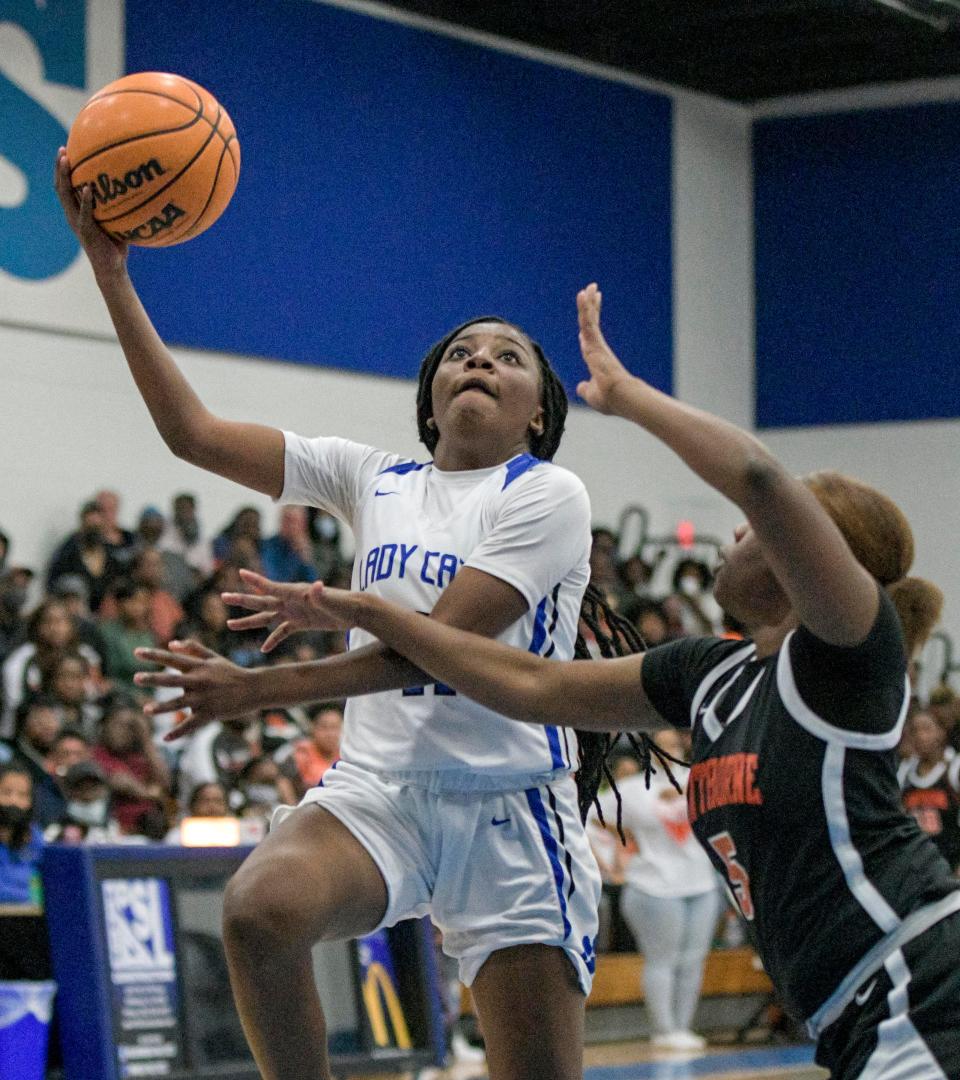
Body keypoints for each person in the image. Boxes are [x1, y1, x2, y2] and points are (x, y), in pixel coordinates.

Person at [224, 285, 958, 1079]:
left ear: (813, 561)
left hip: (920, 982)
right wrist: (372, 611)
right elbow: (533, 685)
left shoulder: (850, 660)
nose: (740, 531)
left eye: (766, 532)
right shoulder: (710, 674)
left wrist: (631, 396)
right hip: (853, 1016)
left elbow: (758, 478)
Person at [57, 149, 613, 1080]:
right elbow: (191, 433)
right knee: (258, 912)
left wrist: (261, 688)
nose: (480, 359)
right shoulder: (373, 476)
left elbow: (435, 651)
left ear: (537, 416)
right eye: (462, 353)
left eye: (507, 356)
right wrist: (111, 272)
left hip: (507, 810)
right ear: (432, 401)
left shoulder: (549, 494)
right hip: (379, 790)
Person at [604, 727, 720, 1051]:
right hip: (652, 884)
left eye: (674, 742)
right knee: (662, 959)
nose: (671, 747)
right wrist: (624, 843)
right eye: (662, 743)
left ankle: (683, 1027)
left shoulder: (700, 779)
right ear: (649, 748)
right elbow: (592, 814)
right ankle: (664, 1029)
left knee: (693, 960)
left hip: (700, 883)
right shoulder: (631, 789)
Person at [898, 708, 960, 874]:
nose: (920, 736)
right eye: (914, 731)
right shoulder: (904, 773)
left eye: (926, 729)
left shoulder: (954, 769)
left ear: (941, 732)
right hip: (917, 869)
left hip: (951, 867)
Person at [0, 763, 43, 904]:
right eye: (6, 793)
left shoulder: (34, 835)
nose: (14, 801)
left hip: (29, 917)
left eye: (22, 795)